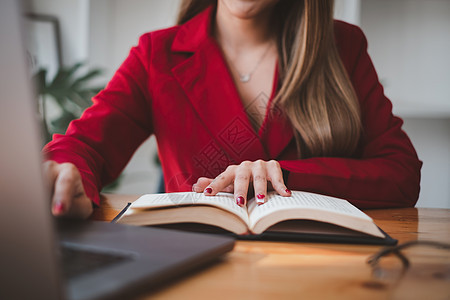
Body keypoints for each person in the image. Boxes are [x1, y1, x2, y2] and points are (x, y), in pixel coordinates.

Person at [43, 0, 422, 219]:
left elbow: (400, 173)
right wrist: (65, 175)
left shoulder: (343, 46)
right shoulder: (156, 54)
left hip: (326, 267)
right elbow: (84, 146)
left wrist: (283, 175)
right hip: (192, 265)